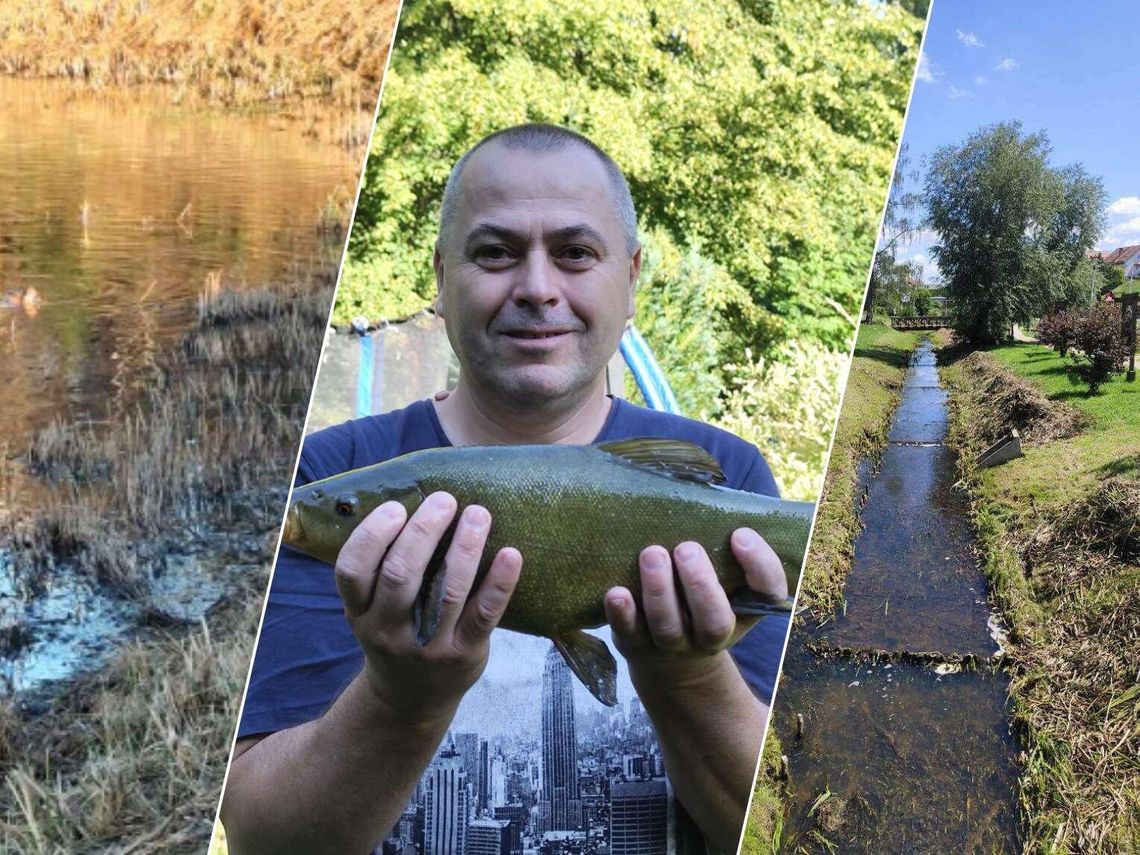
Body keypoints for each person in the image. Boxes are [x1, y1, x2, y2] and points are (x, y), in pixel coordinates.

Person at [221, 124, 791, 855]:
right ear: (440, 274)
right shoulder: (319, 479)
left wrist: (689, 678)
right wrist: (402, 702)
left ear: (632, 276)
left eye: (576, 253)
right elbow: (264, 839)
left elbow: (780, 824)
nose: (537, 288)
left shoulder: (729, 476)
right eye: (494, 253)